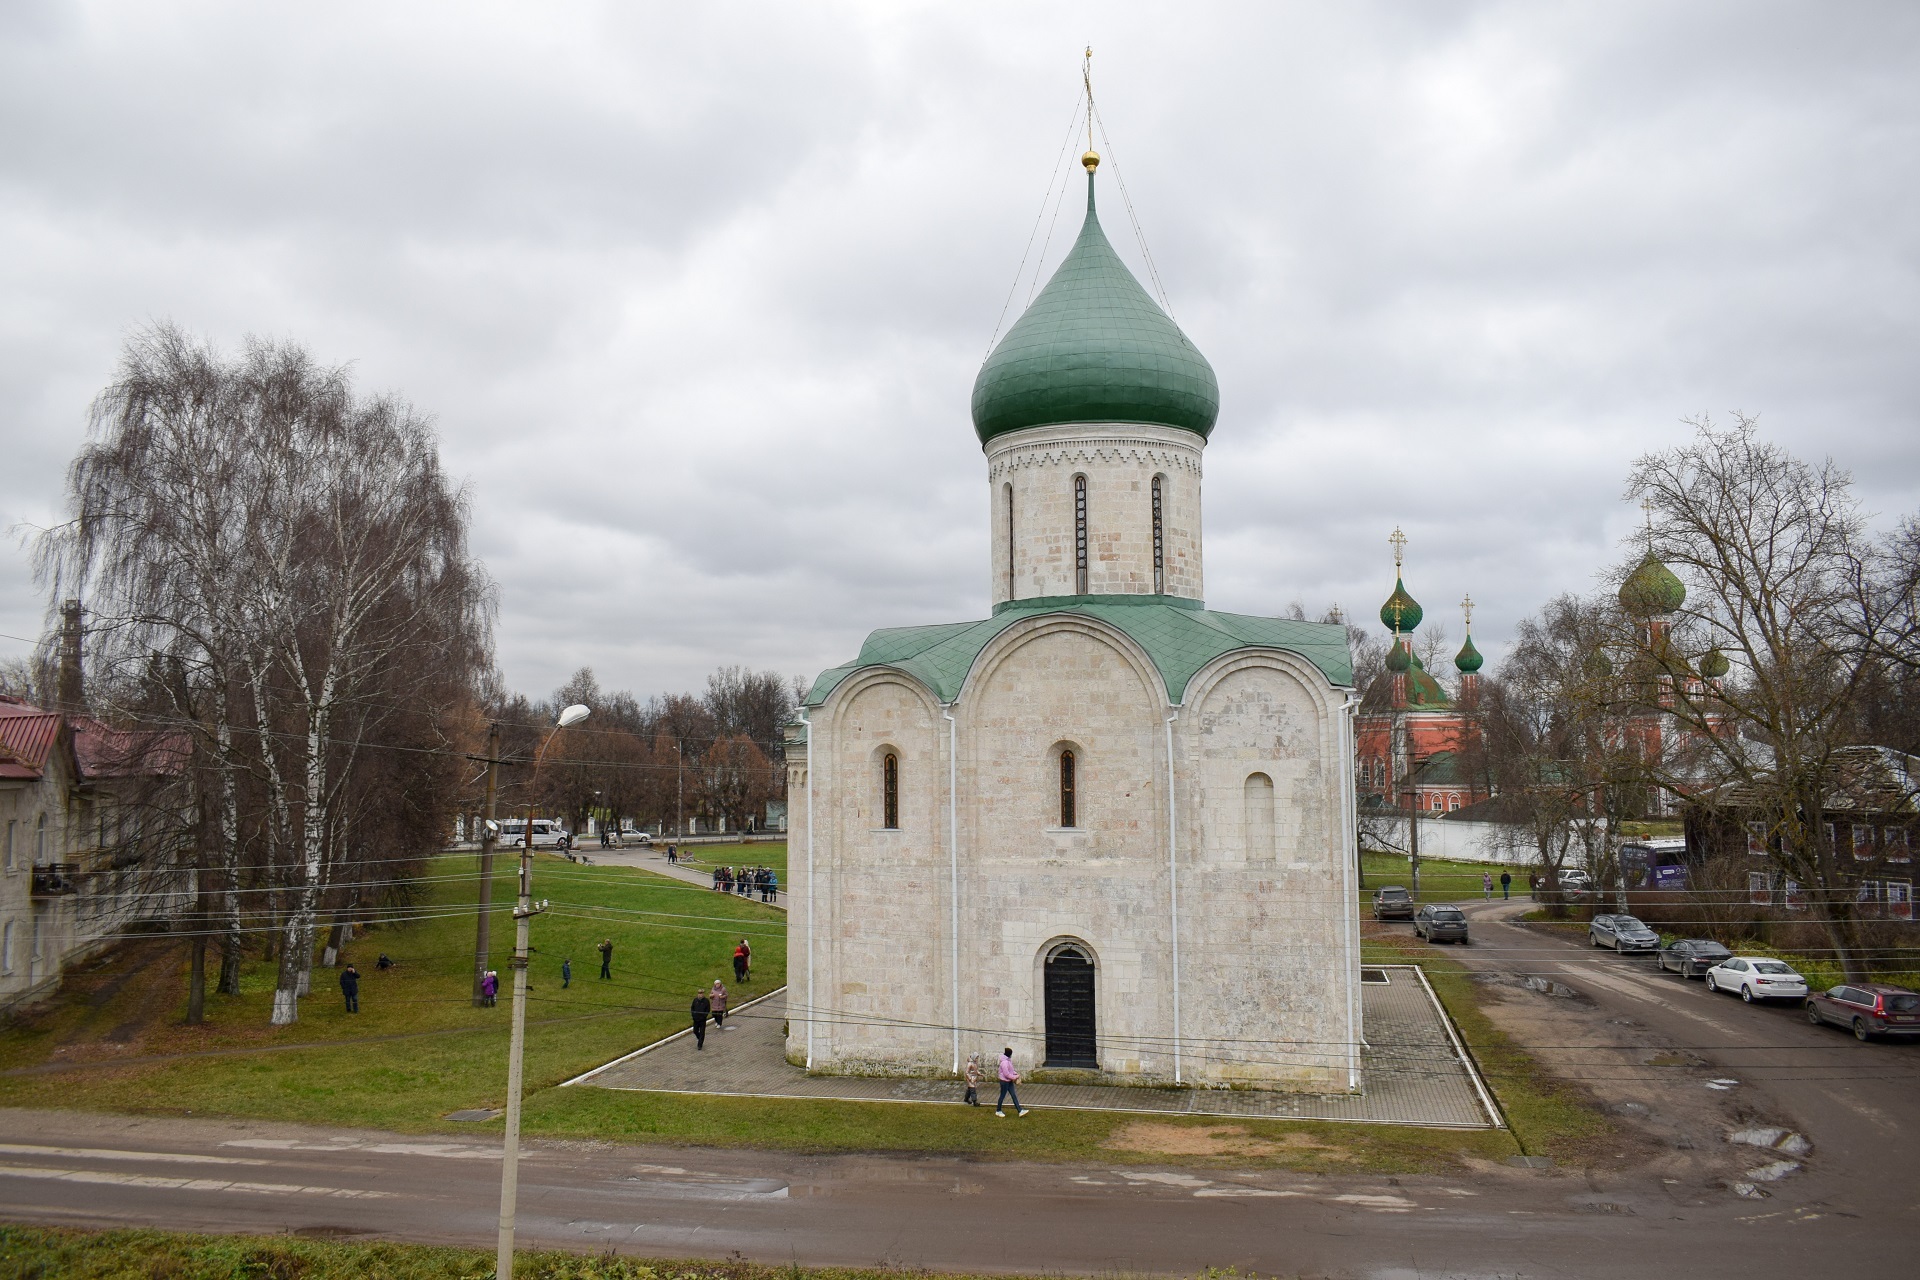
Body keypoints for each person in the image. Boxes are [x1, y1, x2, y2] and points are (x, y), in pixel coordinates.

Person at [995, 1047, 1028, 1117]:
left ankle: (1020, 1111)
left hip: (1009, 1081)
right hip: (1004, 1082)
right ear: (1009, 1054)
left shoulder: (1008, 1061)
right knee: (1002, 1096)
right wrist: (1015, 1077)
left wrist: (1015, 1074)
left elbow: (1011, 1070)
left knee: (1013, 1095)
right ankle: (998, 1110)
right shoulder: (1004, 1063)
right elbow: (1006, 1074)